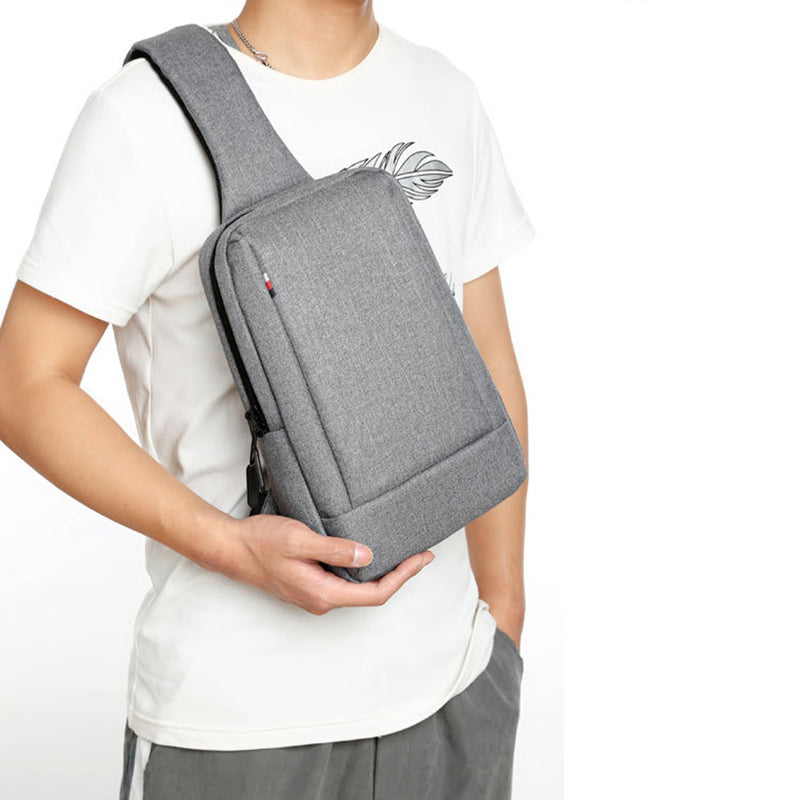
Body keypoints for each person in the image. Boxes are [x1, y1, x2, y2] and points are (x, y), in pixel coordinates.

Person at [0, 2, 535, 798]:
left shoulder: (444, 93)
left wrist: (504, 616)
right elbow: (23, 385)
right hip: (240, 724)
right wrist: (230, 546)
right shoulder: (144, 115)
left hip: (454, 689)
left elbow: (486, 352)